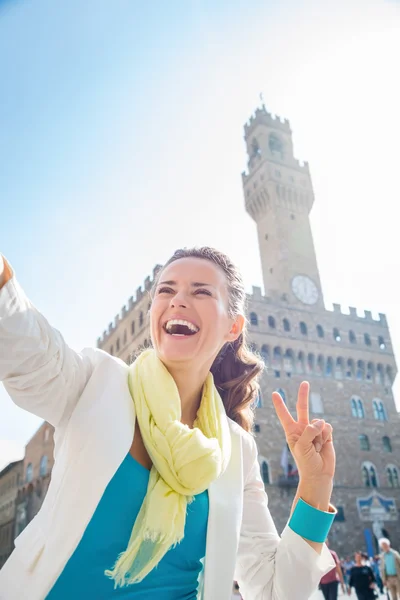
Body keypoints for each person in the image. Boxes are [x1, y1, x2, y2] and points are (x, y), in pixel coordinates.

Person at [0, 247, 336, 600]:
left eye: (201, 291)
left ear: (232, 326)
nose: (178, 300)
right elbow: (34, 356)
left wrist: (315, 484)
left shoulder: (237, 451)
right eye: (166, 290)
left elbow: (276, 592)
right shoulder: (96, 383)